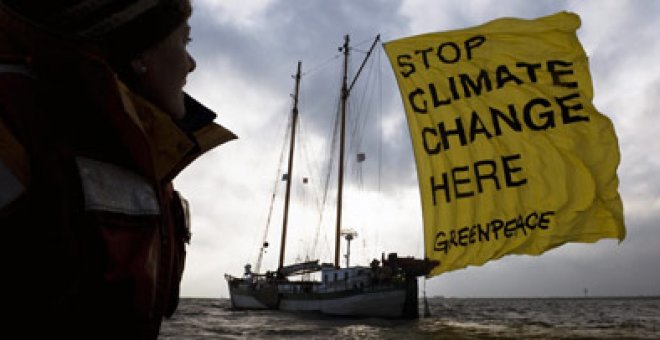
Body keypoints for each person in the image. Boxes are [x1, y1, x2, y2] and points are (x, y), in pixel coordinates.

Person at [0, 1, 236, 338]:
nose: (191, 63)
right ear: (139, 52)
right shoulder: (14, 134)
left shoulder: (139, 143)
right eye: (185, 42)